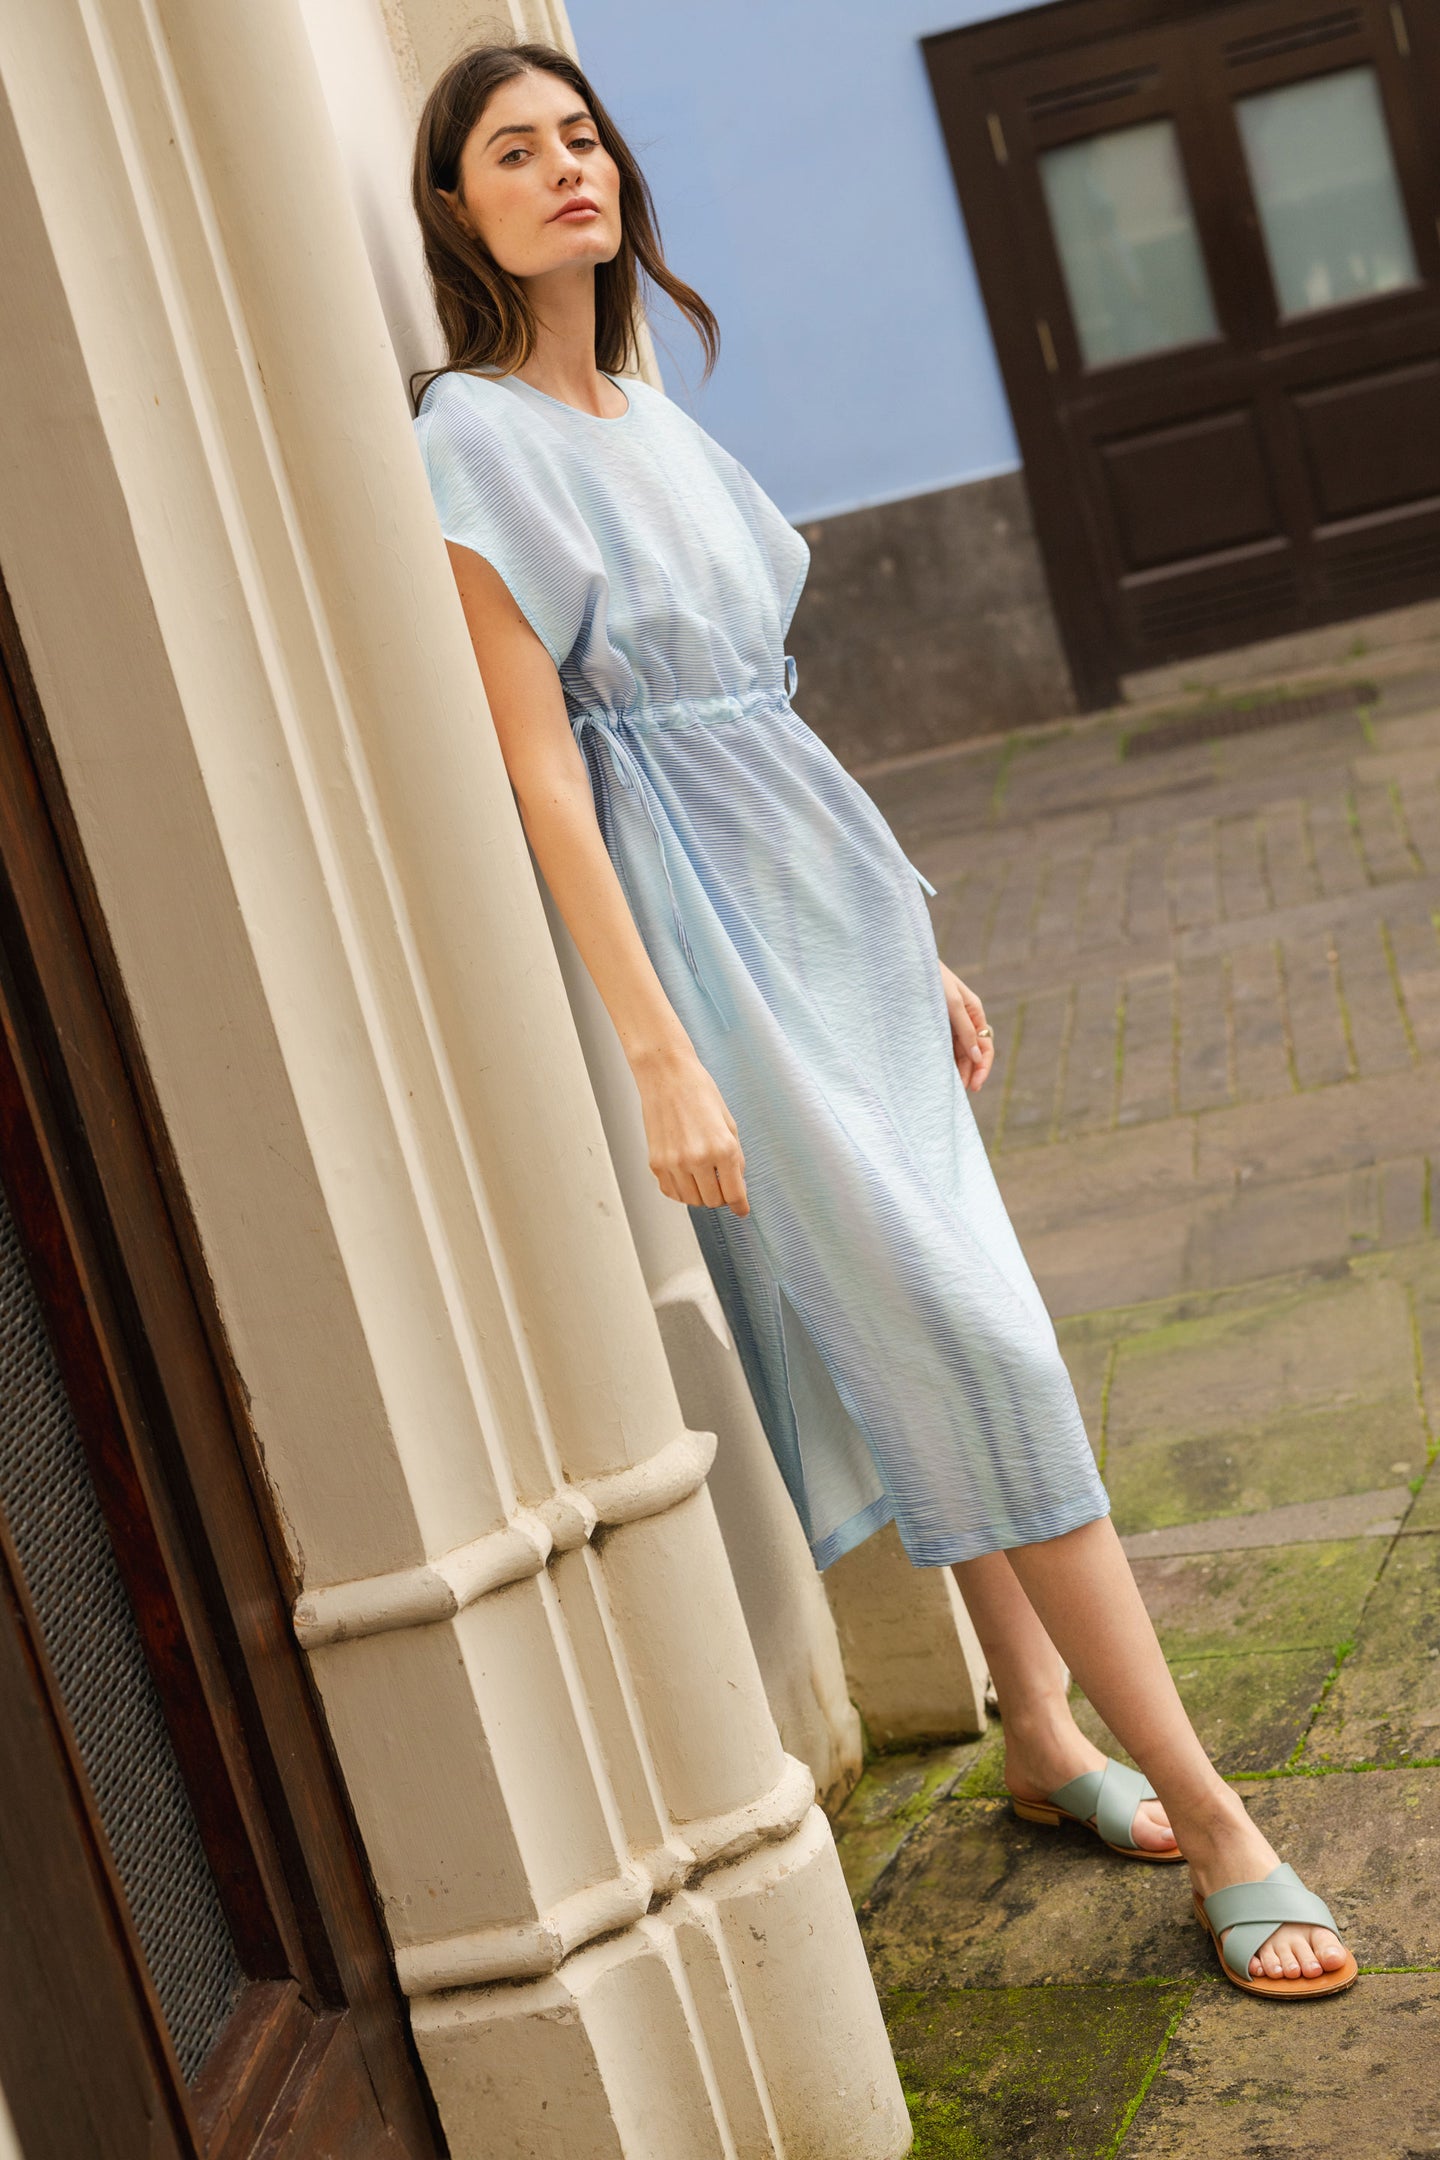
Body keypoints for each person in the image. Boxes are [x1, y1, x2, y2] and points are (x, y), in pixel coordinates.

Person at [409, 40, 1355, 2002]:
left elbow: (776, 710)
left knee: (944, 1334)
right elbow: (544, 775)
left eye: (580, 133)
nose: (566, 164)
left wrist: (906, 930)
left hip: (830, 915)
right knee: (985, 1348)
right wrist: (661, 1045)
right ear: (457, 210)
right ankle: (1223, 1814)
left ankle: (1038, 1726)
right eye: (515, 149)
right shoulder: (474, 440)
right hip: (716, 953)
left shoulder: (654, 417)